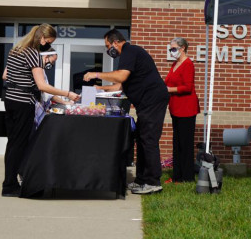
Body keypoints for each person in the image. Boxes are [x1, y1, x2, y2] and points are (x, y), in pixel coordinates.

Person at [83, 29, 169, 195]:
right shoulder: (128, 56)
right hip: (145, 102)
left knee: (149, 139)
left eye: (108, 46)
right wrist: (99, 88)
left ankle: (153, 182)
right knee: (141, 138)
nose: (108, 50)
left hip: (152, 99)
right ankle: (141, 180)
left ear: (116, 42)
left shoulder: (130, 51)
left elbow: (121, 77)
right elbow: (119, 87)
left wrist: (96, 74)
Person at [1, 24, 79, 197]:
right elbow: (42, 85)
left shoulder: (16, 50)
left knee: (13, 143)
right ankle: (10, 186)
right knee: (20, 144)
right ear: (42, 39)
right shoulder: (33, 54)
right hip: (24, 102)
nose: (47, 45)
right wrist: (68, 94)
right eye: (48, 42)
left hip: (10, 100)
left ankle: (9, 182)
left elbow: (5, 76)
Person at [164, 37, 200, 183]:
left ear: (182, 48)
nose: (171, 51)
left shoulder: (188, 64)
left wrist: (169, 89)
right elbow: (166, 81)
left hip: (186, 109)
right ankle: (177, 175)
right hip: (175, 108)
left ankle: (187, 177)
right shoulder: (175, 64)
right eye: (170, 49)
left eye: (173, 49)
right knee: (177, 143)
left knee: (185, 144)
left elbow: (188, 87)